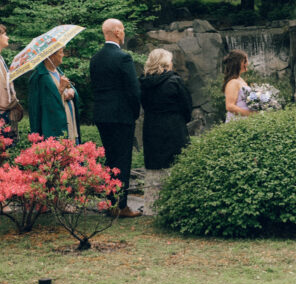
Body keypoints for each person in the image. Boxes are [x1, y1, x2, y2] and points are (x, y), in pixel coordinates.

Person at [90, 18, 141, 218]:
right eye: (124, 30)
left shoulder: (95, 58)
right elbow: (134, 90)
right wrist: (134, 112)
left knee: (110, 159)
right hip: (121, 116)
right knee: (123, 160)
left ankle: (112, 202)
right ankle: (121, 205)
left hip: (102, 115)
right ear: (118, 32)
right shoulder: (123, 58)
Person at [140, 48, 192, 208]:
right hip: (173, 126)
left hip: (151, 126)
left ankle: (152, 206)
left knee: (154, 165)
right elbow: (187, 106)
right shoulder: (175, 81)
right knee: (176, 163)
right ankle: (176, 205)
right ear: (166, 63)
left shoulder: (143, 82)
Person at [28, 48, 79, 143]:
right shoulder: (39, 78)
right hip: (54, 128)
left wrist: (72, 91)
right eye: (61, 52)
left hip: (70, 122)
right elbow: (44, 106)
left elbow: (70, 89)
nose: (63, 55)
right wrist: (61, 89)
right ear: (51, 56)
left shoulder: (59, 72)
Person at [223, 50, 253, 122]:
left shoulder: (240, 80)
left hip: (246, 120)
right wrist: (250, 114)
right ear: (237, 63)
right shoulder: (233, 82)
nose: (247, 63)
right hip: (237, 121)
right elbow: (229, 106)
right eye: (245, 61)